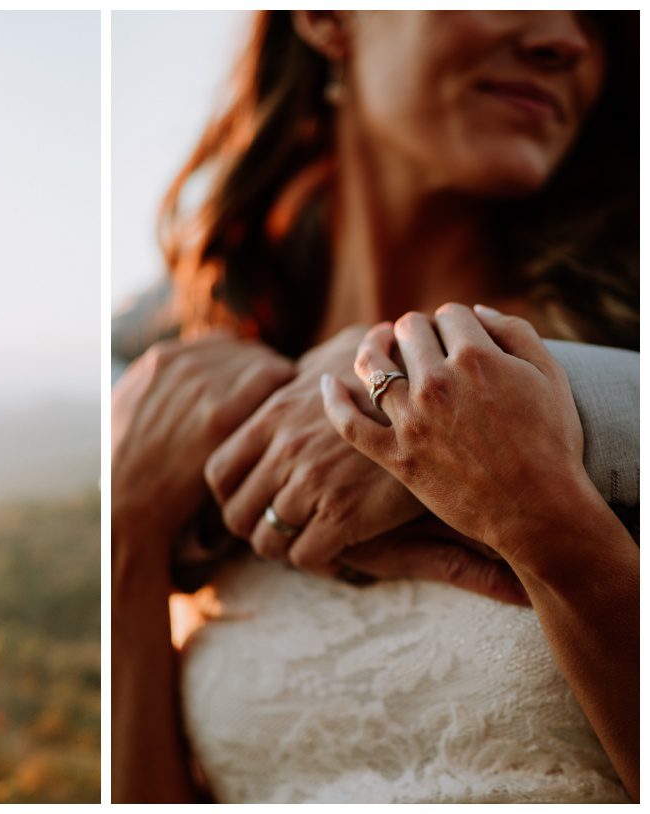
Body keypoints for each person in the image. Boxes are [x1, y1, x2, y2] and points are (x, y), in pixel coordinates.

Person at [113, 11, 637, 802]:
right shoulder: (212, 413)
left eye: (600, 21)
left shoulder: (621, 389)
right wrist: (127, 532)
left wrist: (537, 511)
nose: (565, 39)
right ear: (325, 18)